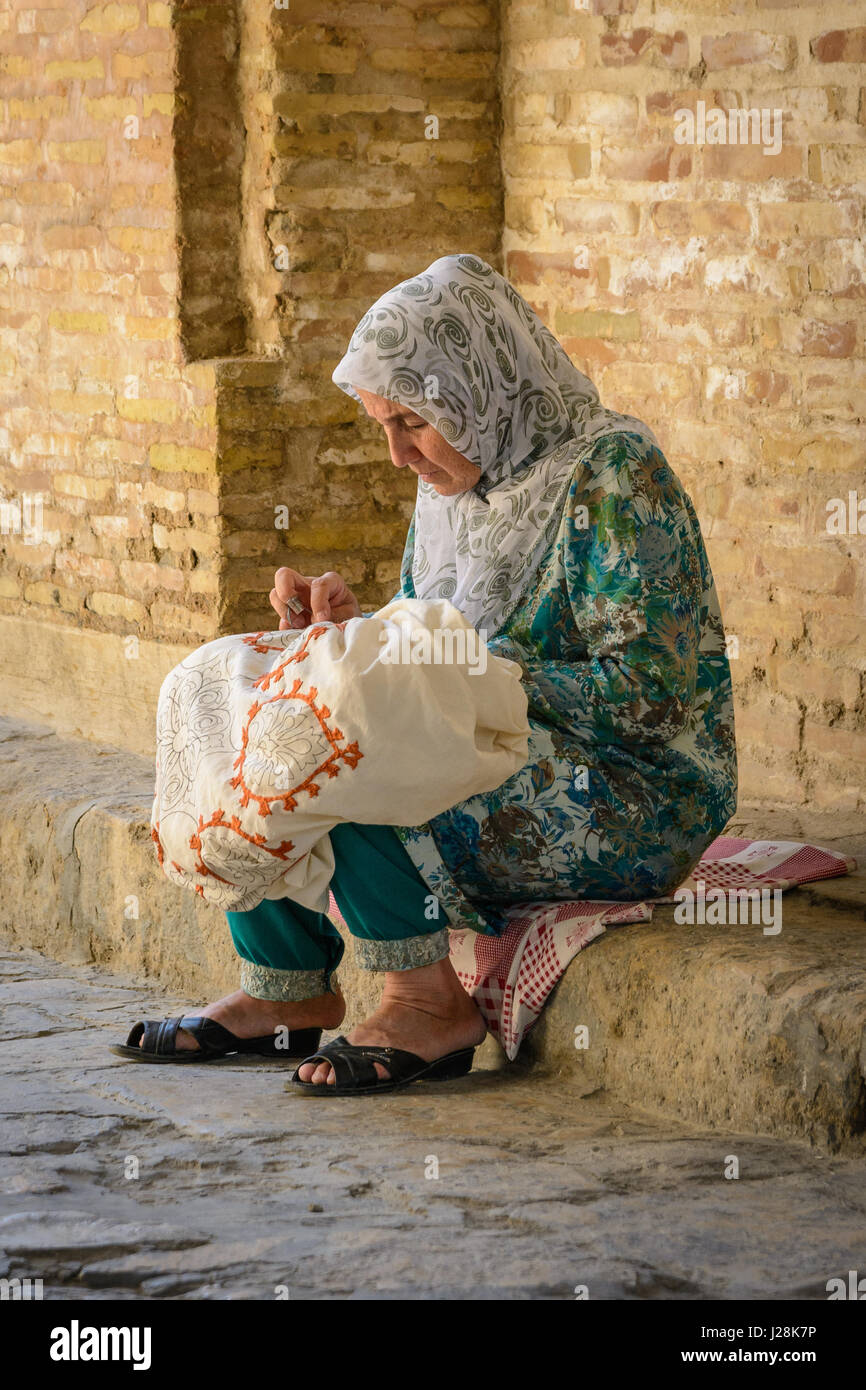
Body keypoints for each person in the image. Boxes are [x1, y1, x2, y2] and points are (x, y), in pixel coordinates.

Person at [112, 254, 737, 1094]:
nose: (399, 453)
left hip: (633, 787)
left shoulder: (613, 474)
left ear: (476, 386)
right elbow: (422, 633)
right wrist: (346, 635)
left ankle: (428, 1004)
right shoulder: (452, 482)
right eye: (383, 424)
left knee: (363, 746)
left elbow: (652, 697)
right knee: (246, 698)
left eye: (412, 421)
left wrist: (453, 675)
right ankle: (287, 991)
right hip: (498, 743)